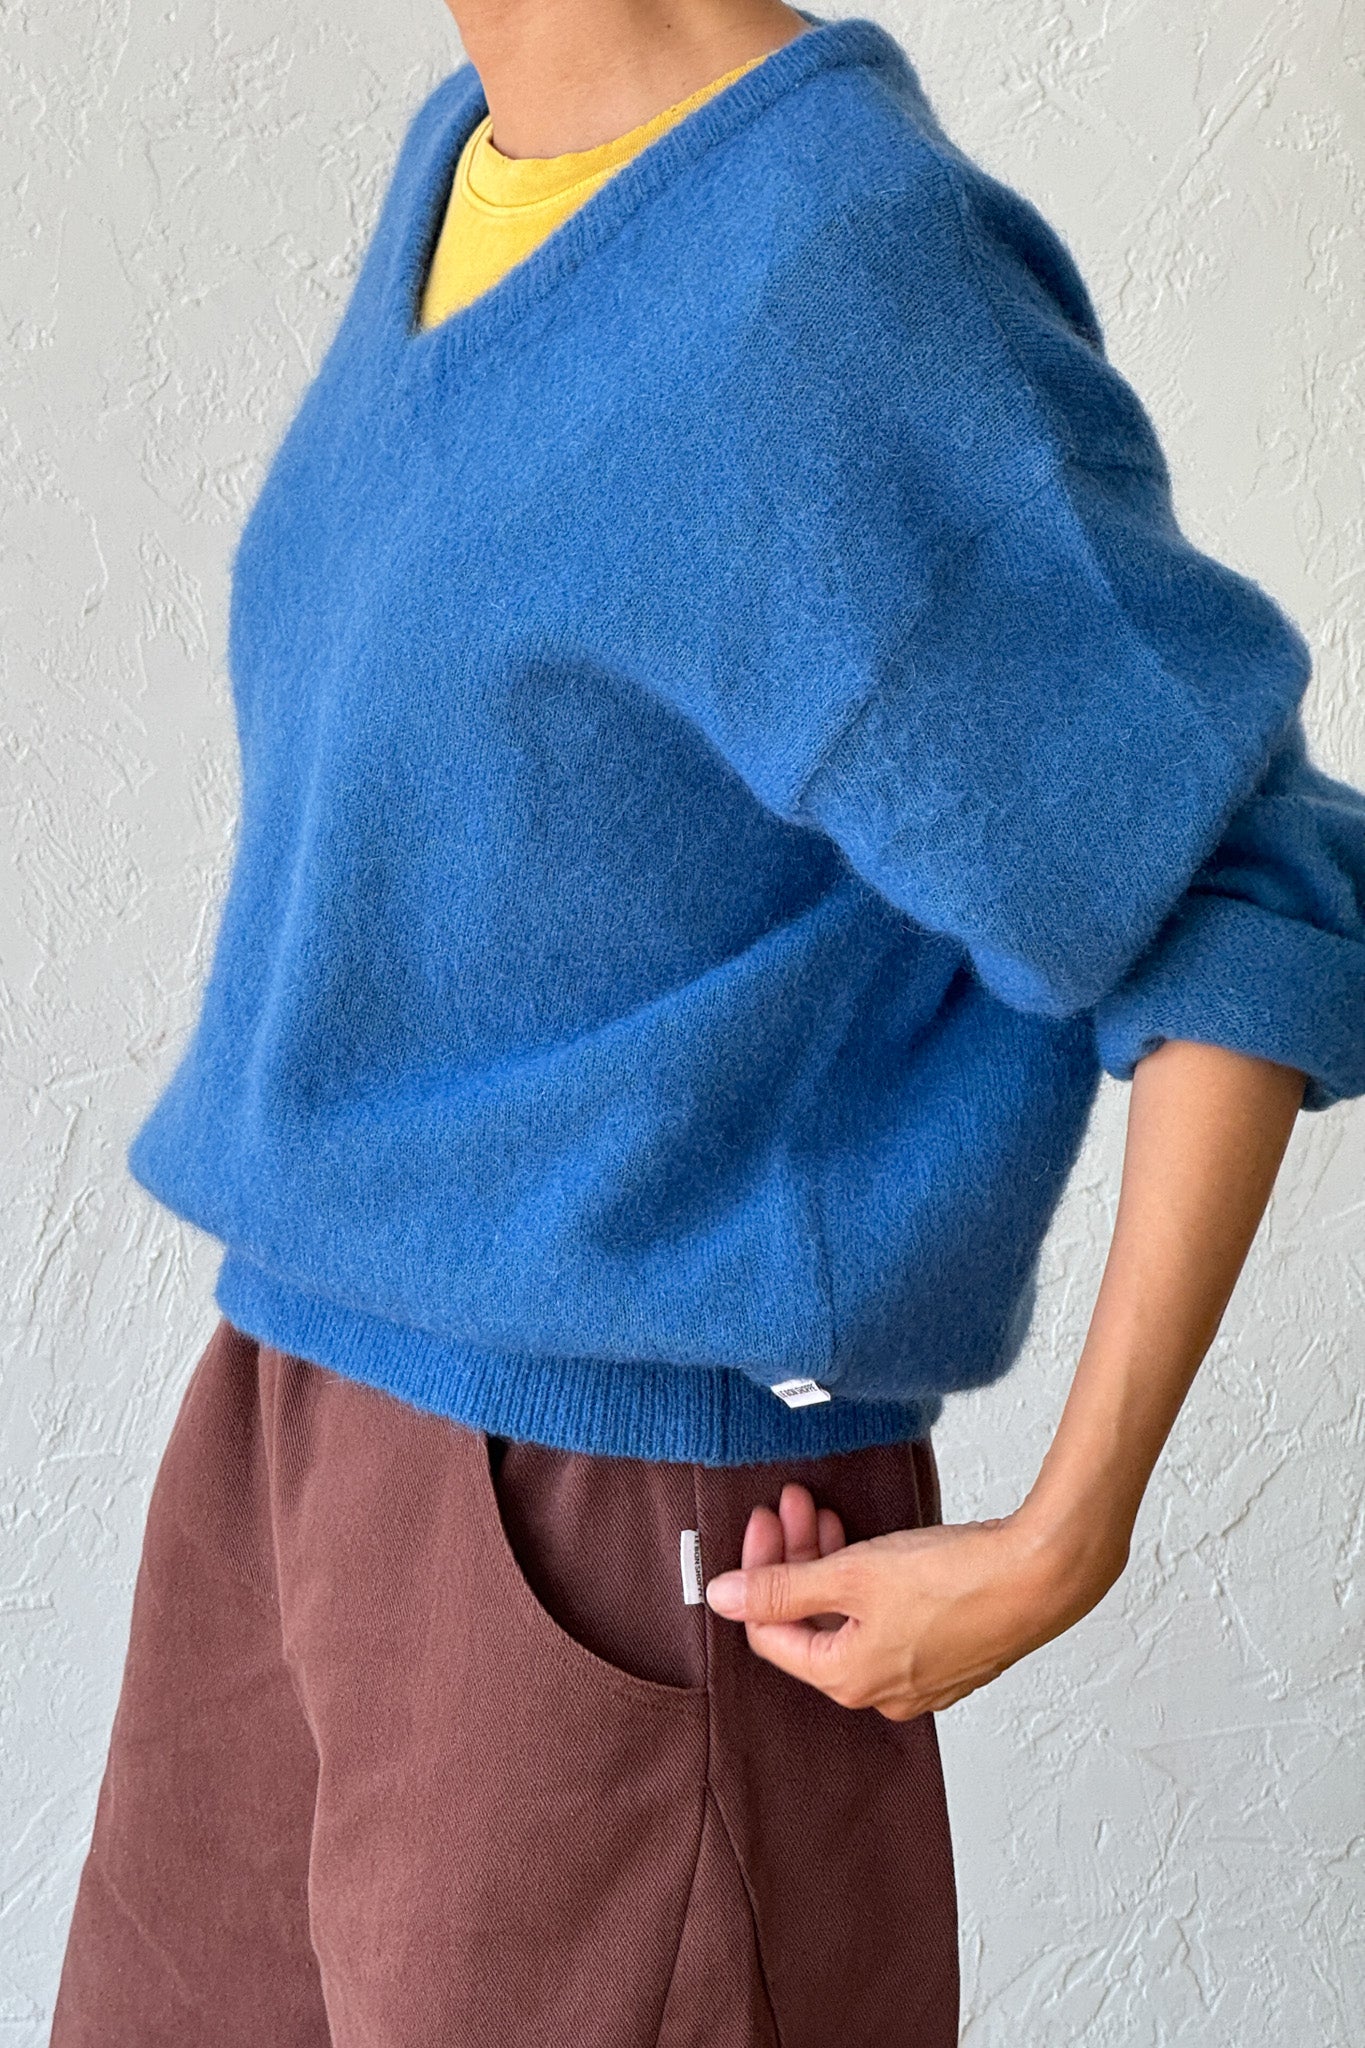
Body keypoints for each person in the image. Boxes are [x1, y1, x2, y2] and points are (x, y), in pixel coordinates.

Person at [50, 2, 1365, 2043]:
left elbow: (1240, 883)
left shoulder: (826, 267)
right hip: (288, 1429)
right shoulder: (478, 158)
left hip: (597, 1521)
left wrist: (1064, 1534)